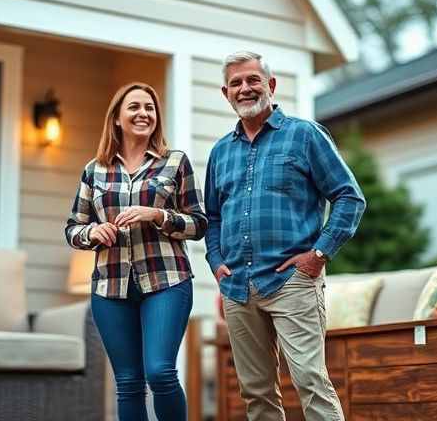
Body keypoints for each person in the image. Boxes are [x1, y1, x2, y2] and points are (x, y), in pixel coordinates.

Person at [204, 51, 365, 420]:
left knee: (311, 381)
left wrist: (318, 256)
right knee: (256, 393)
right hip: (238, 288)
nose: (245, 89)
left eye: (253, 80)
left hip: (293, 282)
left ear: (270, 86)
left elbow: (349, 197)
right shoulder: (220, 152)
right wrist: (217, 264)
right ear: (226, 93)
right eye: (236, 83)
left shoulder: (304, 135)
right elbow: (212, 216)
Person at [65, 82, 207, 421]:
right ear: (116, 118)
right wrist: (92, 232)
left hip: (167, 281)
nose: (143, 113)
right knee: (128, 382)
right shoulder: (94, 170)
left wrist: (157, 215)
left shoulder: (175, 163)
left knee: (159, 372)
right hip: (110, 287)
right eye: (134, 107)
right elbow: (73, 227)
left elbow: (199, 224)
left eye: (150, 108)